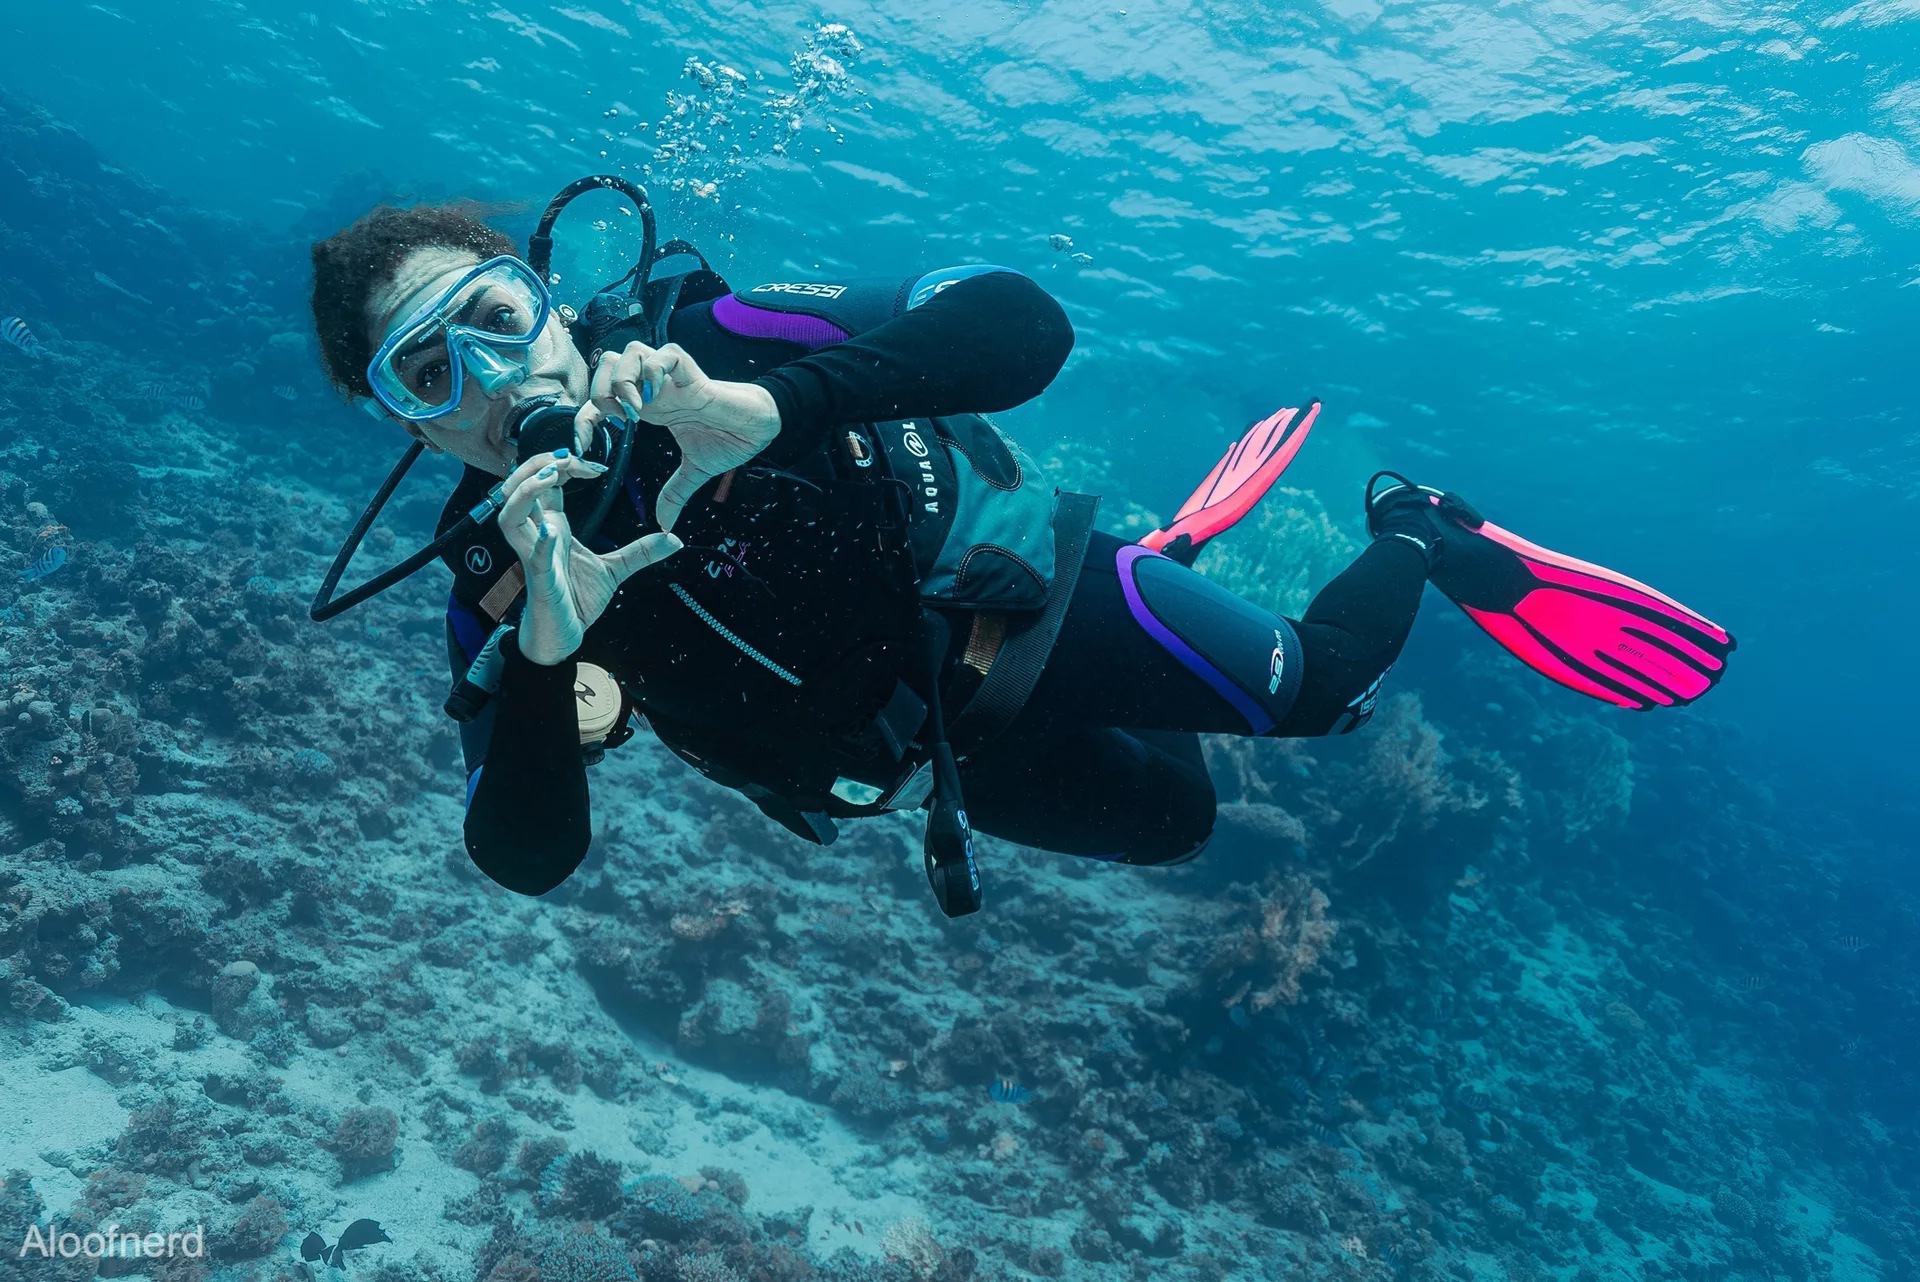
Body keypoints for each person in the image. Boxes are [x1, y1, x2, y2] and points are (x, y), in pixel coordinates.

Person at [307, 195, 1735, 911]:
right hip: (937, 743)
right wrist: (550, 656)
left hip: (1028, 599)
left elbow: (1015, 320)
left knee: (1324, 693)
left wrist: (772, 403)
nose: (493, 382)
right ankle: (1186, 545)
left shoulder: (716, 341)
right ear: (409, 433)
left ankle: (1415, 530)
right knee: (1179, 827)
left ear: (552, 300)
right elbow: (526, 851)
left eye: (496, 315)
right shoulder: (498, 578)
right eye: (428, 375)